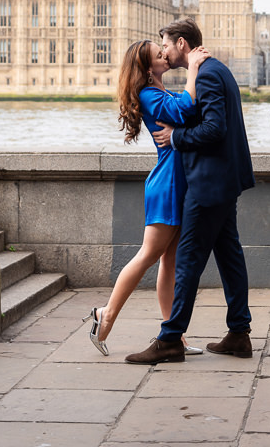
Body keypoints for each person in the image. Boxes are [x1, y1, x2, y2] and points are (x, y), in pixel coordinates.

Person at [125, 18, 255, 365]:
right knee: (229, 257)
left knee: (186, 263)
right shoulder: (212, 69)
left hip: (209, 183)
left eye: (165, 44)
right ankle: (239, 333)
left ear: (182, 44)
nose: (164, 51)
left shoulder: (208, 73)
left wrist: (176, 138)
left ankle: (170, 339)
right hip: (223, 180)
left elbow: (214, 128)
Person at [82, 37, 209, 356]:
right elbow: (186, 108)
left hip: (178, 183)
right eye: (158, 54)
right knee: (149, 255)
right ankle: (105, 314)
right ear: (147, 67)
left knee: (170, 261)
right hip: (167, 185)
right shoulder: (149, 94)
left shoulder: (160, 91)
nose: (165, 55)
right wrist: (193, 67)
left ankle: (173, 335)